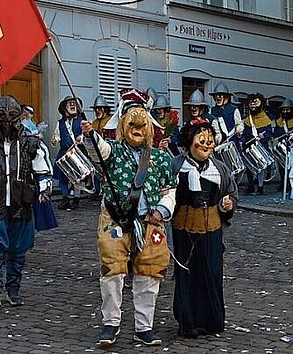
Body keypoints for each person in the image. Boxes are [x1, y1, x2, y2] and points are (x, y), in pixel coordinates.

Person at [80, 88, 176, 347]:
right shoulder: (112, 151)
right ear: (123, 124)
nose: (138, 127)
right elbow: (97, 149)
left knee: (149, 273)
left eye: (142, 124)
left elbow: (171, 188)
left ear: (150, 127)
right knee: (112, 273)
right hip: (115, 221)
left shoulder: (159, 159)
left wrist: (163, 209)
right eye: (132, 123)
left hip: (150, 221)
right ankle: (110, 324)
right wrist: (90, 135)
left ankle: (144, 327)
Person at [0, 96, 53, 308]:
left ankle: (13, 289)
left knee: (17, 249)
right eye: (1, 117)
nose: (6, 122)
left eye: (11, 117)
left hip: (20, 202)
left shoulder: (31, 143)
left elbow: (43, 170)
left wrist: (44, 190)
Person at [171, 117, 237, 338]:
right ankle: (188, 322)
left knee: (211, 273)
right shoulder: (176, 166)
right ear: (190, 142)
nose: (208, 144)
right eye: (202, 140)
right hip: (184, 229)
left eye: (210, 140)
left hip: (212, 229)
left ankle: (212, 320)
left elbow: (231, 193)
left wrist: (228, 204)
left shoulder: (220, 168)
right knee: (188, 275)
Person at [50, 96, 84, 210]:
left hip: (77, 152)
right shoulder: (60, 123)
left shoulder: (81, 121)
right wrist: (54, 140)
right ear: (64, 108)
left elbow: (88, 135)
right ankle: (65, 198)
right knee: (63, 177)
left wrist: (82, 138)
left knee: (77, 177)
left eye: (74, 104)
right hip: (64, 152)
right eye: (70, 104)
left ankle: (76, 199)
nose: (72, 105)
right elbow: (57, 136)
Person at [242, 93, 274, 195]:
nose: (253, 105)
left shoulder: (266, 118)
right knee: (249, 166)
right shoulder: (247, 120)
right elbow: (245, 133)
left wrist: (264, 136)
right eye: (251, 103)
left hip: (262, 146)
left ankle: (260, 186)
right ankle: (250, 185)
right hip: (250, 146)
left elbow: (269, 133)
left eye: (256, 102)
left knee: (262, 167)